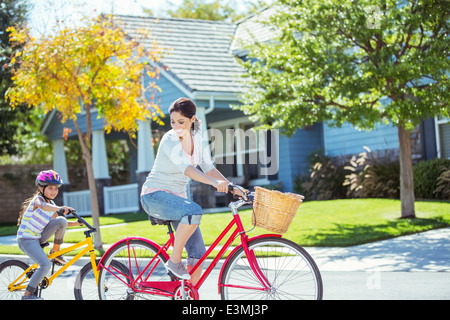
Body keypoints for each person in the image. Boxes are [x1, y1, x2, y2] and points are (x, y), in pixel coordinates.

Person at [140, 97, 241, 285]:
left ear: (192, 119)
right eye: (172, 122)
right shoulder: (170, 138)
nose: (176, 126)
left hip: (177, 199)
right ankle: (174, 261)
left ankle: (190, 299)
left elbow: (209, 167)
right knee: (194, 210)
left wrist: (233, 187)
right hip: (154, 196)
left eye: (181, 122)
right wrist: (213, 182)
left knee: (198, 254)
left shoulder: (196, 139)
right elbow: (187, 168)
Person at [16, 170, 81, 300]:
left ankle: (56, 253)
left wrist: (77, 223)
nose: (54, 191)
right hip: (26, 239)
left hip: (38, 237)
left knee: (61, 221)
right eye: (50, 188)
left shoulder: (52, 205)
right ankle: (27, 296)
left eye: (56, 188)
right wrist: (60, 208)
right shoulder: (38, 200)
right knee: (45, 265)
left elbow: (61, 223)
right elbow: (43, 206)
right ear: (41, 187)